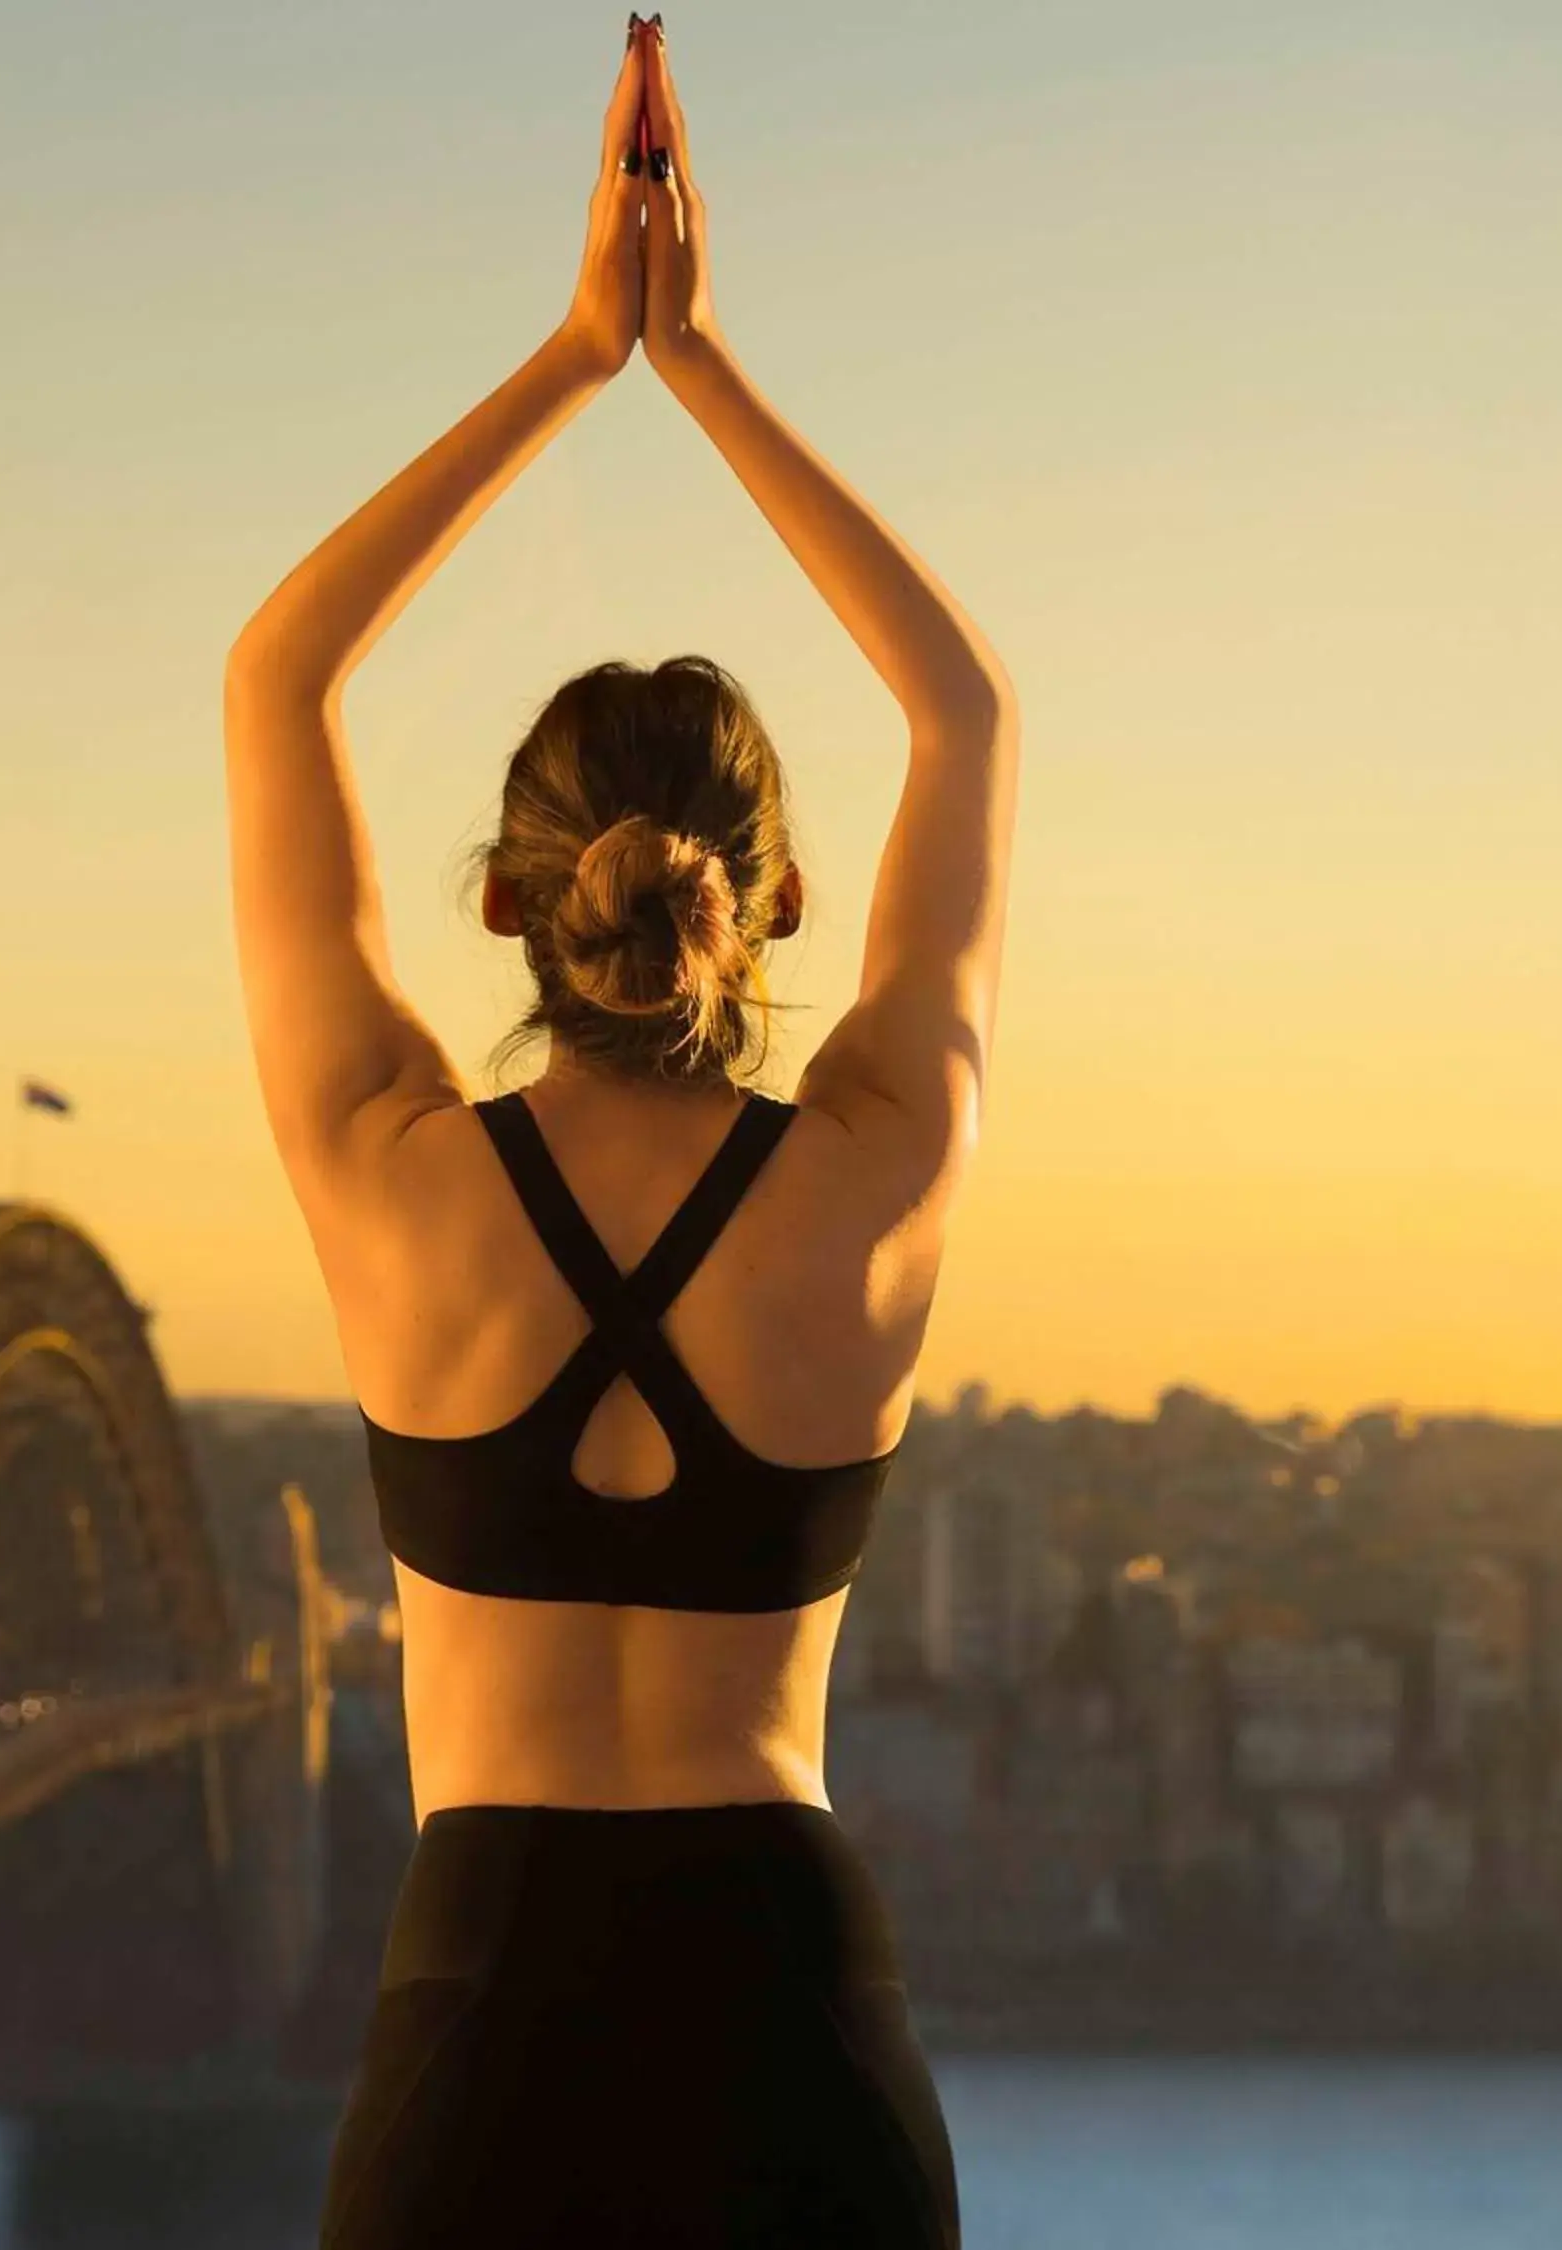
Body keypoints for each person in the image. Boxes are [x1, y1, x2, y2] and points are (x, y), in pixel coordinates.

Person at [224, 16, 1016, 2246]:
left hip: (477, 2029)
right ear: (771, 901)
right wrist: (705, 361)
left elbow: (275, 681)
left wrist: (581, 351)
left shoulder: (393, 1173)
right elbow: (963, 710)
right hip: (800, 2027)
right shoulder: (871, 1171)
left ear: (501, 900)